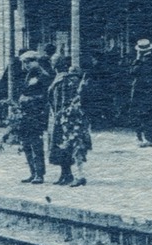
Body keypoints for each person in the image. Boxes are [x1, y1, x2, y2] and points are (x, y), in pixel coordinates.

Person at [6, 50, 51, 183]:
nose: (26, 65)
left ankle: (39, 173)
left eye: (29, 62)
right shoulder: (27, 75)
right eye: (25, 62)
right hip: (25, 114)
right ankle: (32, 172)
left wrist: (28, 99)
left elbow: (45, 96)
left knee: (36, 144)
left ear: (36, 61)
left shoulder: (43, 76)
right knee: (26, 144)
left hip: (36, 114)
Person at [47, 57, 93, 186]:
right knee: (60, 146)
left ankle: (70, 174)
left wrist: (60, 114)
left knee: (67, 145)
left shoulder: (64, 80)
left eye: (53, 62)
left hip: (64, 118)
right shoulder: (60, 79)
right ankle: (65, 173)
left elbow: (63, 100)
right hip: (59, 116)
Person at [128, 39, 152, 147]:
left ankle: (147, 138)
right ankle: (149, 136)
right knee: (149, 115)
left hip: (142, 91)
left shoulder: (142, 61)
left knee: (143, 114)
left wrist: (137, 60)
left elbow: (133, 72)